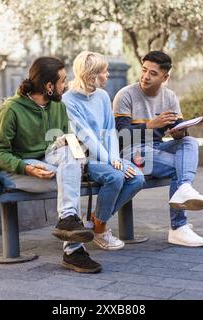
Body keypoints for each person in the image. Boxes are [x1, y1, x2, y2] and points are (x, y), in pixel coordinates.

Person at [0, 57, 102, 273]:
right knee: (69, 180)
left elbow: (68, 139)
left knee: (70, 157)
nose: (66, 85)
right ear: (49, 86)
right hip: (18, 168)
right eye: (62, 81)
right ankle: (73, 251)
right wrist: (26, 168)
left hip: (50, 164)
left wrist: (80, 154)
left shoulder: (58, 106)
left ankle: (68, 219)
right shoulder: (11, 109)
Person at [113, 50, 203, 247]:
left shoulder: (170, 97)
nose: (145, 77)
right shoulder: (125, 95)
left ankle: (184, 189)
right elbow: (121, 137)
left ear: (165, 77)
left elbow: (180, 129)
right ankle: (178, 227)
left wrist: (179, 133)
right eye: (144, 70)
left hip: (157, 148)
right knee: (178, 167)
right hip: (132, 153)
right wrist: (150, 125)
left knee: (189, 143)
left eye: (153, 73)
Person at [63, 51, 145, 250]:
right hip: (85, 159)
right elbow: (87, 138)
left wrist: (115, 159)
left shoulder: (102, 96)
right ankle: (100, 231)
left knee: (137, 178)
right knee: (115, 177)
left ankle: (96, 220)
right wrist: (111, 162)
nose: (107, 75)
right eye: (104, 72)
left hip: (108, 156)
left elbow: (109, 131)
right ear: (91, 75)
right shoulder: (68, 100)